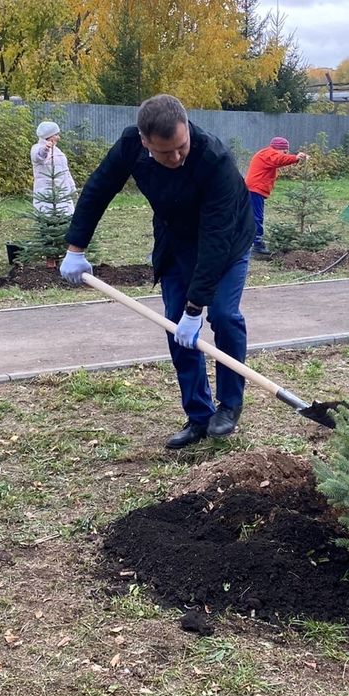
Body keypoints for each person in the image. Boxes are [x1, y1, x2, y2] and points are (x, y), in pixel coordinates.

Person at [60, 95, 255, 449]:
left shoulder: (214, 159)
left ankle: (229, 406)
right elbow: (98, 189)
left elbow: (215, 238)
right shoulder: (130, 146)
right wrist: (76, 248)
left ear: (187, 127)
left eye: (182, 146)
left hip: (226, 242)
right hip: (176, 243)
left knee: (224, 316)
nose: (177, 156)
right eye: (166, 152)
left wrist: (196, 308)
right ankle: (198, 417)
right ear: (146, 141)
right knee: (175, 328)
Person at [244, 136, 306, 255]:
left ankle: (250, 243)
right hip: (254, 190)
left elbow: (279, 159)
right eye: (285, 151)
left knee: (252, 216)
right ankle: (257, 246)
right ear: (278, 148)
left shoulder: (267, 154)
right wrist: (295, 158)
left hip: (253, 189)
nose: (286, 153)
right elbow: (279, 159)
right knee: (257, 217)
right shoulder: (269, 154)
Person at [31, 121, 76, 216]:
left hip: (63, 194)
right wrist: (45, 149)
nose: (58, 137)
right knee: (48, 220)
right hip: (46, 195)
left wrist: (72, 189)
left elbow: (66, 172)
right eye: (56, 134)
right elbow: (38, 157)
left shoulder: (58, 151)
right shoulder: (36, 148)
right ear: (49, 136)